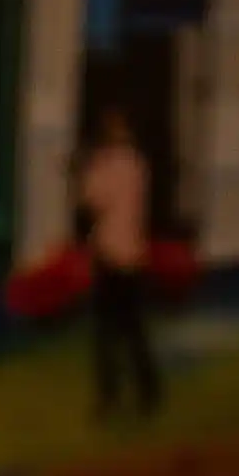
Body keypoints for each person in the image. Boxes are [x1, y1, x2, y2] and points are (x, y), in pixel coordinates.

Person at [75, 109, 160, 419]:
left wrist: (88, 169)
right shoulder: (138, 164)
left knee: (106, 333)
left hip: (109, 254)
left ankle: (108, 396)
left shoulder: (105, 165)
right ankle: (148, 390)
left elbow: (90, 200)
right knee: (134, 329)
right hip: (134, 253)